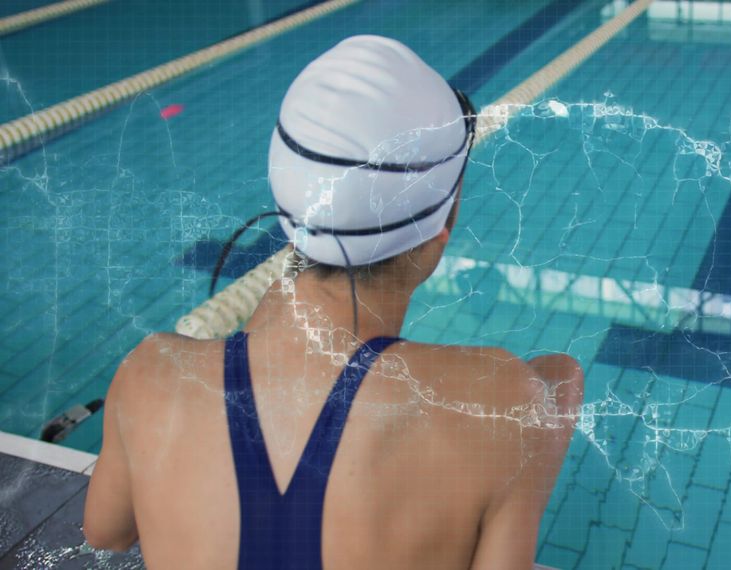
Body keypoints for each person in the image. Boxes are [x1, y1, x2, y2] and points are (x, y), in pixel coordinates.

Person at [83, 35, 583, 569]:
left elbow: (107, 532)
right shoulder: (498, 405)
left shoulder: (150, 374)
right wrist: (555, 389)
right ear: (446, 221)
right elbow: (559, 378)